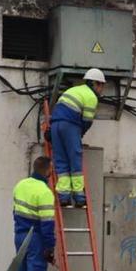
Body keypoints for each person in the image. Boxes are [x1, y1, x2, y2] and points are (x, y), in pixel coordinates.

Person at [49, 68, 106, 208]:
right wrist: (79, 134)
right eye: (102, 85)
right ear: (96, 84)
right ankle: (79, 197)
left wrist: (52, 130)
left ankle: (64, 197)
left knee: (60, 160)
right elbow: (87, 121)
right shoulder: (91, 97)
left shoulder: (74, 90)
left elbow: (58, 108)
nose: (102, 89)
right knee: (75, 158)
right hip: (70, 125)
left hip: (55, 125)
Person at [12, 156, 56, 271]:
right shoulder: (44, 192)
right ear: (47, 170)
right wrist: (49, 247)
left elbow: (15, 212)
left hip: (20, 235)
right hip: (36, 238)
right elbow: (47, 225)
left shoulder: (20, 185)